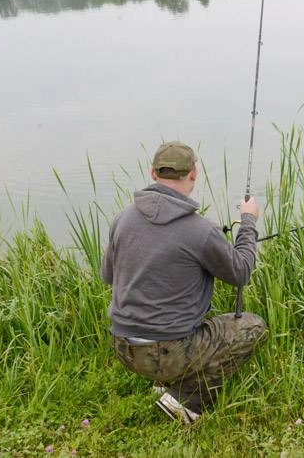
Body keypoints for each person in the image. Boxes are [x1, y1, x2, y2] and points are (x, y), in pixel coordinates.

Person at [100, 140, 267, 424]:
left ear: (153, 173)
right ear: (194, 174)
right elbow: (240, 273)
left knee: (178, 330)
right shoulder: (201, 230)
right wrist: (248, 222)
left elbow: (108, 276)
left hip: (123, 347)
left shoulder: (122, 219)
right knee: (254, 327)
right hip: (168, 352)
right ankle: (186, 400)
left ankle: (163, 377)